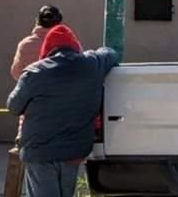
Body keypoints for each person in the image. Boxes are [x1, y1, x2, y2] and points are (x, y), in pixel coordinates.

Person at [7, 25, 119, 197]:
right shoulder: (92, 65)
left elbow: (14, 106)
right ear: (75, 47)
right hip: (73, 151)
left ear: (47, 50)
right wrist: (88, 55)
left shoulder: (35, 72)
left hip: (39, 151)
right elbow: (110, 53)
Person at [11, 5, 64, 81]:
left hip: (34, 90)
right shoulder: (68, 43)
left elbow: (16, 72)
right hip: (61, 90)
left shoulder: (25, 45)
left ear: (37, 21)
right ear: (59, 23)